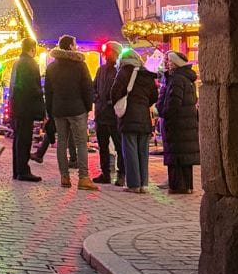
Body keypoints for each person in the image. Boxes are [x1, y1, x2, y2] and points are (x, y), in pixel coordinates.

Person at [45, 35, 95, 190]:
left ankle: (64, 177)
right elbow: (87, 88)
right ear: (70, 46)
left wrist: (50, 111)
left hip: (59, 109)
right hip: (77, 108)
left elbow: (48, 91)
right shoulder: (80, 65)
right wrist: (88, 107)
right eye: (75, 44)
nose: (76, 47)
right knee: (81, 143)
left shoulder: (51, 67)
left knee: (62, 143)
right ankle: (83, 178)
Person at [111, 47, 159, 192]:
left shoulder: (124, 72)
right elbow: (154, 96)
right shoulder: (147, 74)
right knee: (143, 151)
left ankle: (134, 184)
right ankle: (143, 184)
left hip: (128, 116)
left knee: (130, 150)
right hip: (144, 117)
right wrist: (144, 103)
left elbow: (114, 92)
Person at [157, 50, 200, 193]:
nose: (167, 64)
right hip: (186, 122)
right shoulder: (187, 78)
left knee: (177, 155)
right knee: (185, 156)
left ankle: (178, 186)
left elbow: (173, 103)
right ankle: (187, 186)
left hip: (177, 123)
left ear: (175, 63)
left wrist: (162, 111)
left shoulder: (176, 80)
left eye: (169, 61)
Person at [8, 39, 44, 182]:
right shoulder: (30, 63)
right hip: (26, 107)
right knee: (24, 140)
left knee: (18, 139)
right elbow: (31, 87)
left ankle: (17, 170)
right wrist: (40, 97)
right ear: (32, 49)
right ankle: (23, 171)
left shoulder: (17, 62)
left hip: (17, 107)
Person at [92, 40, 126, 185]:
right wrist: (96, 98)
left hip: (114, 116)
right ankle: (105, 173)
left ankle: (121, 174)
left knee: (119, 146)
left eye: (109, 51)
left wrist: (113, 102)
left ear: (116, 53)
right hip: (101, 114)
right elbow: (93, 87)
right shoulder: (101, 70)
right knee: (103, 146)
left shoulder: (121, 70)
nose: (106, 54)